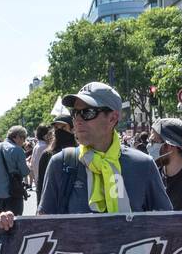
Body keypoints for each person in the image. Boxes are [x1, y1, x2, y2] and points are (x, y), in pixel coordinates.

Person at [38, 82, 173, 215]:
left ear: (113, 118)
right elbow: (41, 227)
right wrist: (16, 226)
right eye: (75, 113)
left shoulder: (143, 165)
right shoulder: (60, 163)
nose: (77, 120)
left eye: (87, 112)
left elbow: (169, 225)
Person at [0, 125, 29, 213]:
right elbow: (25, 172)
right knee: (15, 222)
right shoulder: (18, 150)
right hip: (13, 193)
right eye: (24, 138)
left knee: (1, 223)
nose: (24, 141)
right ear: (17, 137)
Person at [36, 114, 75, 202]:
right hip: (54, 203)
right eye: (56, 128)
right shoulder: (47, 155)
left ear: (73, 129)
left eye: (63, 127)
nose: (59, 131)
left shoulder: (81, 152)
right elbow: (41, 183)